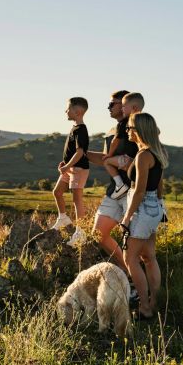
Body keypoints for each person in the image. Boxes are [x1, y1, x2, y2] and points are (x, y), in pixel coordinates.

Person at [119, 112, 169, 319]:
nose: (127, 131)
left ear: (139, 130)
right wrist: (159, 207)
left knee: (130, 259)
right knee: (149, 257)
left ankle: (145, 308)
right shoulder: (157, 152)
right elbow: (159, 186)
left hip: (141, 207)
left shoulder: (143, 156)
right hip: (154, 207)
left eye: (130, 127)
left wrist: (126, 218)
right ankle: (154, 303)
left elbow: (139, 190)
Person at [87, 90, 135, 269]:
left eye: (112, 104)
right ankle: (127, 273)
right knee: (98, 234)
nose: (108, 107)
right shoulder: (111, 131)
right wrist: (81, 154)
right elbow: (107, 159)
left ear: (124, 105)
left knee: (133, 243)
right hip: (115, 190)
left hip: (134, 191)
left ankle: (139, 284)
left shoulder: (137, 126)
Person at [51, 97, 89, 247]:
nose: (65, 111)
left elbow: (80, 152)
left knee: (77, 200)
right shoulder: (74, 128)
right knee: (57, 192)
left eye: (68, 108)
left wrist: (67, 167)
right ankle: (63, 218)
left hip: (78, 169)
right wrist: (66, 165)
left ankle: (81, 232)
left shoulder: (81, 130)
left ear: (77, 111)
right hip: (70, 168)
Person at [102, 92, 145, 199]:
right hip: (137, 162)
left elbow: (115, 141)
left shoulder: (122, 123)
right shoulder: (143, 122)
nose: (122, 109)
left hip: (126, 160)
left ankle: (120, 185)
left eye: (124, 106)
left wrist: (109, 155)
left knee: (107, 161)